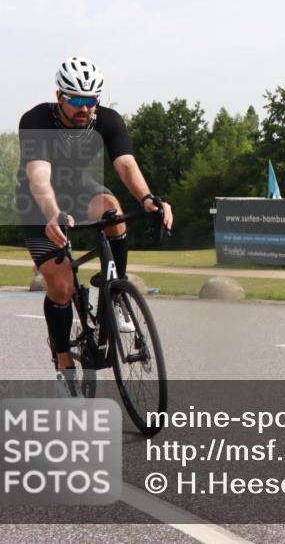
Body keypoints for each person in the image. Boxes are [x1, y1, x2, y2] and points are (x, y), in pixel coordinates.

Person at [16, 56, 173, 375]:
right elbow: (39, 176)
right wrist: (53, 213)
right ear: (60, 96)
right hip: (38, 201)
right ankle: (63, 360)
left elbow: (126, 164)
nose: (84, 108)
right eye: (76, 100)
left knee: (112, 209)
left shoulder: (108, 120)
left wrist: (147, 198)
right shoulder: (36, 120)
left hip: (79, 189)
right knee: (61, 286)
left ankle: (115, 292)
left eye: (91, 100)